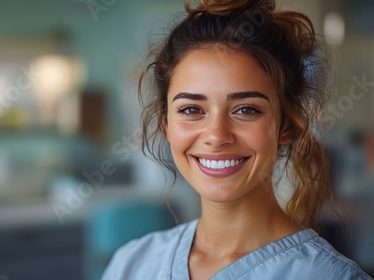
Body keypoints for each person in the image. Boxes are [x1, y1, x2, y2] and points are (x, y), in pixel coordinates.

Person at [102, 0, 373, 279]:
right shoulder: (131, 265)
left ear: (286, 126)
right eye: (192, 110)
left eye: (246, 110)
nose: (217, 136)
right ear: (166, 123)